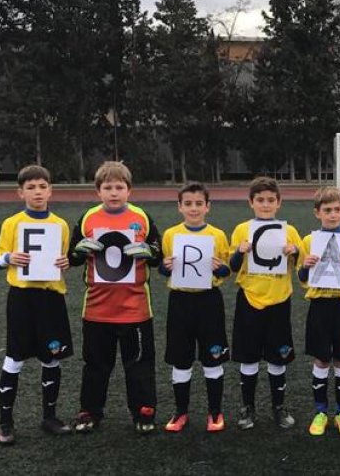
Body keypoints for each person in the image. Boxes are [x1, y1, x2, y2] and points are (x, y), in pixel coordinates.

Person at [68, 161, 162, 434]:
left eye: (119, 187)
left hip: (135, 309)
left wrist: (149, 251)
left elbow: (158, 256)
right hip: (97, 308)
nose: (113, 192)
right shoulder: (88, 218)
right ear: (98, 191)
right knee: (96, 364)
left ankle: (144, 411)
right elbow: (72, 257)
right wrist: (78, 251)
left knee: (139, 365)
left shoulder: (142, 217)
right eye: (107, 187)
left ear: (129, 190)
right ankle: (90, 411)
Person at [0, 165, 73, 446]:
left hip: (51, 299)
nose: (37, 192)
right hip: (22, 299)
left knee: (51, 357)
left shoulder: (60, 225)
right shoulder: (12, 223)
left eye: (42, 186)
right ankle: (5, 423)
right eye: (30, 187)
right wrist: (9, 258)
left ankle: (49, 416)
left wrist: (66, 263)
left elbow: (62, 261)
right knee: (15, 359)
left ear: (50, 190)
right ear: (20, 192)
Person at [228, 176, 302, 431]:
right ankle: (248, 407)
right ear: (251, 202)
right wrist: (241, 251)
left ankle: (278, 407)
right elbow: (232, 266)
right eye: (260, 200)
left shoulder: (289, 231)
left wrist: (295, 252)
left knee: (277, 358)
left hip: (279, 300)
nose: (266, 204)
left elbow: (302, 266)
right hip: (249, 299)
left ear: (279, 203)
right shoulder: (241, 230)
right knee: (248, 358)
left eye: (271, 200)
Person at [159, 182, 231, 434]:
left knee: (212, 358)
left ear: (208, 207)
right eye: (188, 204)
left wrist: (219, 268)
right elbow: (162, 266)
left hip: (209, 301)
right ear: (179, 207)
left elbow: (226, 270)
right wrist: (164, 266)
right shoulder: (170, 235)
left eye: (199, 203)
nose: (193, 208)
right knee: (181, 360)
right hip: (180, 301)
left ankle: (215, 411)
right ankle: (180, 412)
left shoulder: (218, 235)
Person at [297, 187, 340, 436]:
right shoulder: (308, 241)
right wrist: (306, 265)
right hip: (320, 306)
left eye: (337, 210)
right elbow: (303, 278)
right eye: (327, 210)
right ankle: (321, 412)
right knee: (321, 358)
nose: (333, 214)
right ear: (317, 213)